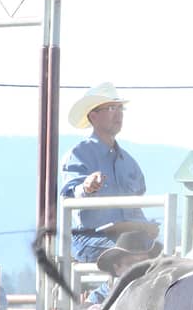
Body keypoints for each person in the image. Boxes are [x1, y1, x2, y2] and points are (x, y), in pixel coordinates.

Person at [61, 82, 155, 267]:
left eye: (120, 108)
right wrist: (86, 188)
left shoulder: (129, 162)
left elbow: (137, 206)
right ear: (93, 116)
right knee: (131, 258)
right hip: (89, 239)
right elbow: (70, 196)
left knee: (163, 260)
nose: (118, 114)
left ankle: (106, 295)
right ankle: (97, 297)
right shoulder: (78, 155)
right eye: (111, 108)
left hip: (130, 238)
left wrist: (146, 227)